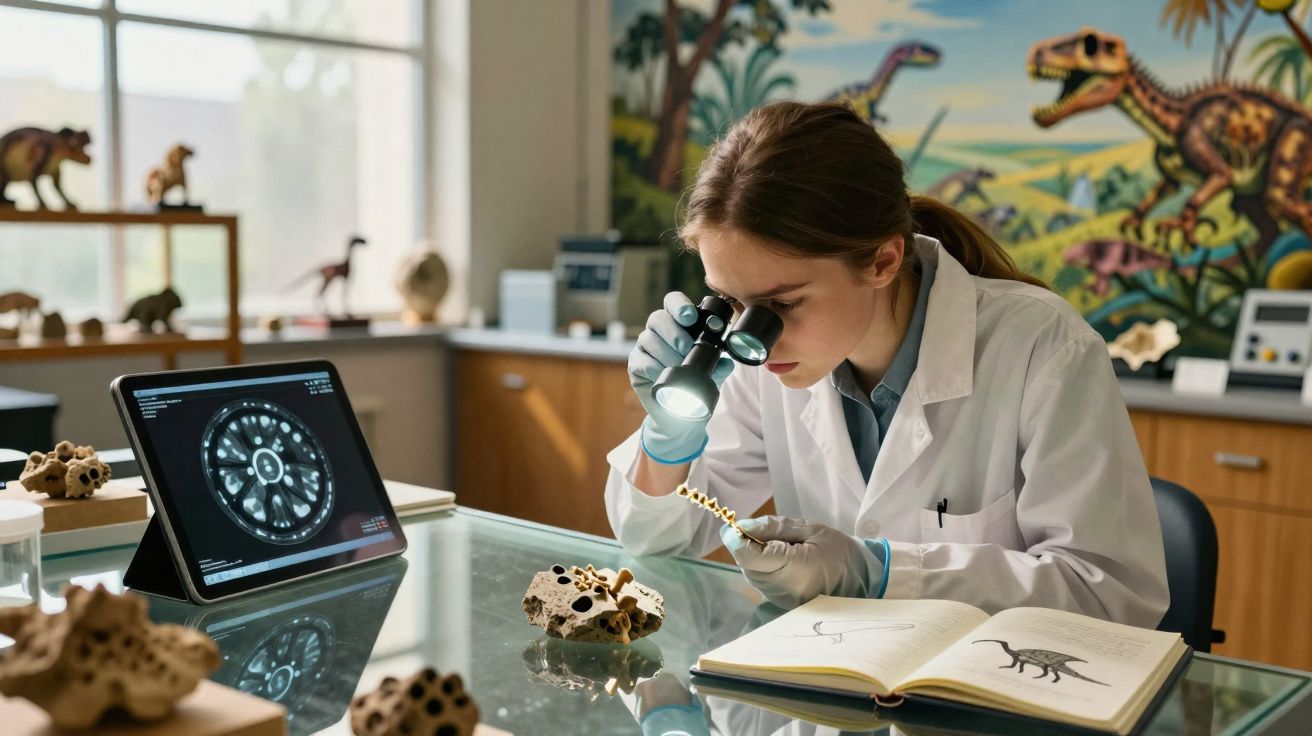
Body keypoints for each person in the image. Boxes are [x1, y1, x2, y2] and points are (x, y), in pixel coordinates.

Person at [603, 101, 1168, 628]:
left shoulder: (1043, 346)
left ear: (883, 260)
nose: (757, 343)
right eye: (730, 302)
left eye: (783, 305)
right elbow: (652, 539)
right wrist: (667, 440)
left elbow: (1109, 597)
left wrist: (882, 574)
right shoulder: (762, 363)